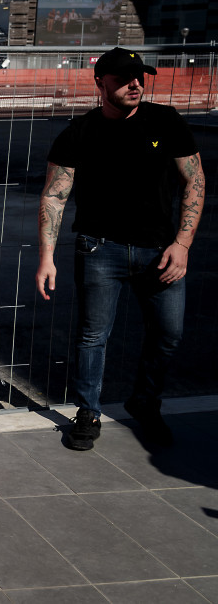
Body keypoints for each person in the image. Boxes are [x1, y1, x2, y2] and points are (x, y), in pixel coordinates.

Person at [36, 48, 205, 451]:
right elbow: (54, 197)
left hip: (161, 251)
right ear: (100, 83)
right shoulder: (79, 132)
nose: (135, 84)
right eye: (124, 78)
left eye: (139, 77)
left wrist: (182, 245)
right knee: (93, 336)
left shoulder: (165, 122)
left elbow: (195, 182)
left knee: (168, 334)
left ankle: (145, 402)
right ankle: (88, 412)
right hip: (99, 250)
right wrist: (46, 256)